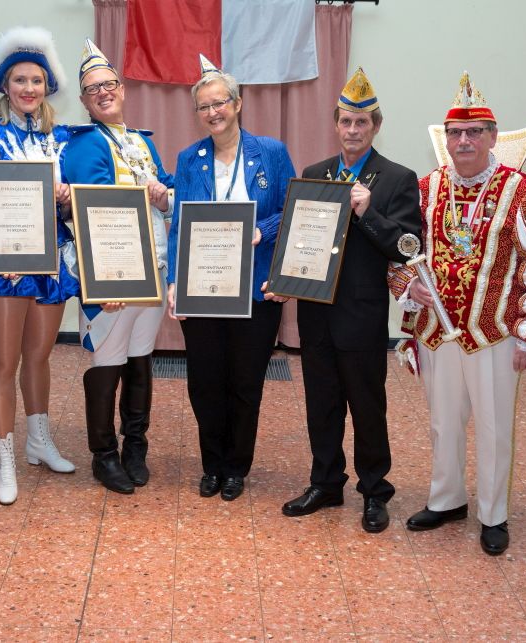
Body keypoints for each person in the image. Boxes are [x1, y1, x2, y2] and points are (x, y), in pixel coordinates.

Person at [391, 72, 526, 555]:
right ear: (444, 139)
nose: (464, 141)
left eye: (475, 132)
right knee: (442, 423)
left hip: (495, 333)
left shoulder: (524, 192)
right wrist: (408, 288)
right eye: (455, 133)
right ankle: (447, 499)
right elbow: (399, 257)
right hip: (435, 334)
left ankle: (494, 513)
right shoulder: (425, 190)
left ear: (493, 137)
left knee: (494, 428)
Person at [280, 68, 420, 532]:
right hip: (316, 312)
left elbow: (407, 246)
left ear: (376, 126)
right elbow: (300, 240)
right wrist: (288, 278)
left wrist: (368, 210)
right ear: (336, 125)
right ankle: (326, 483)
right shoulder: (315, 174)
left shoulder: (398, 178)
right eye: (345, 122)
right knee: (321, 404)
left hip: (360, 315)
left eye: (362, 123)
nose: (353, 131)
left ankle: (375, 491)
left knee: (366, 405)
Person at [167, 55, 295, 501]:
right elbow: (180, 224)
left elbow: (291, 209)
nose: (212, 113)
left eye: (219, 103)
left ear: (238, 104)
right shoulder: (189, 160)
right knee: (204, 381)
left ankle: (237, 466)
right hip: (203, 289)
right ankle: (212, 464)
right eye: (203, 107)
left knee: (245, 382)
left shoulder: (271, 153)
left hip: (257, 289)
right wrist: (174, 281)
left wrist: (263, 231)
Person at [0, 27, 78, 505]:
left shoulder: (63, 141)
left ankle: (37, 439)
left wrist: (69, 198)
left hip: (49, 263)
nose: (28, 88)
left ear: (47, 87)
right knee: (3, 363)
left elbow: (74, 208)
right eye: (20, 81)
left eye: (36, 81)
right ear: (4, 87)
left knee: (39, 357)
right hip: (2, 267)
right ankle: (4, 458)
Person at [63, 40, 173, 494]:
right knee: (107, 360)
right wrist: (98, 278)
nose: (103, 93)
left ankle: (136, 445)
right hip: (112, 274)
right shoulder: (83, 144)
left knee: (141, 357)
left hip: (154, 266)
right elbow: (84, 215)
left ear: (122, 89)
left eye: (109, 85)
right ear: (84, 101)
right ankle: (104, 454)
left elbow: (166, 195)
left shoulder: (143, 143)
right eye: (93, 90)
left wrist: (165, 194)